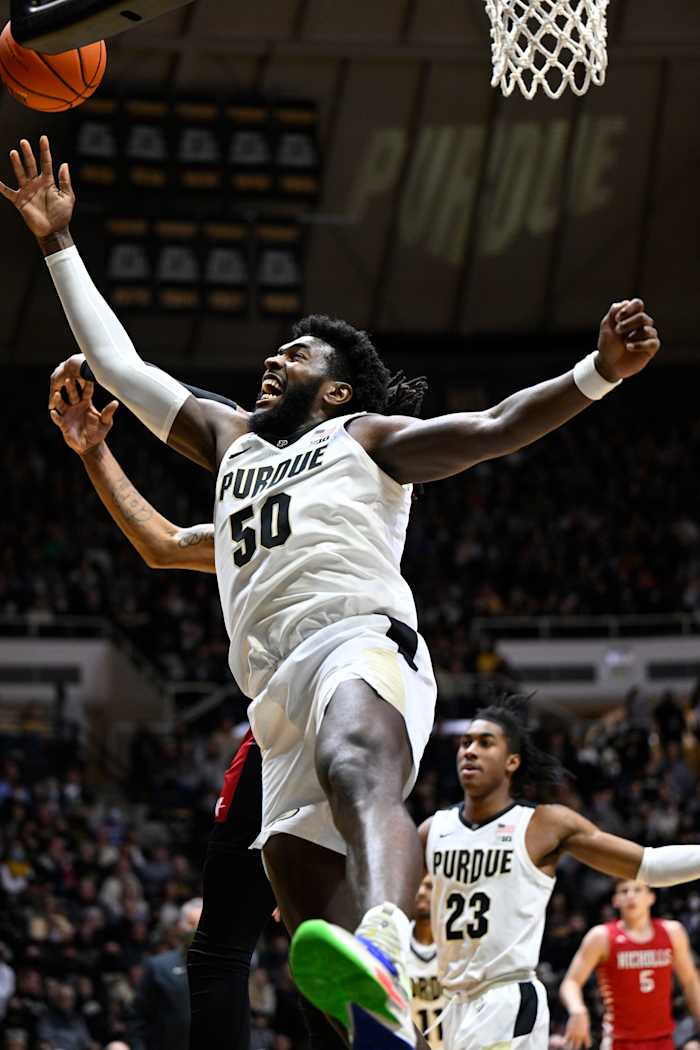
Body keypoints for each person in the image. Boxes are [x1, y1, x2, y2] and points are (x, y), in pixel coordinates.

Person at [1, 135, 661, 1049]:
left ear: (338, 387)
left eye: (296, 355)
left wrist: (598, 375)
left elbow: (494, 426)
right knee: (314, 943)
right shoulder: (232, 446)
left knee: (361, 769)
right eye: (275, 350)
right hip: (272, 702)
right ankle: (375, 1001)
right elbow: (127, 403)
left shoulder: (364, 438)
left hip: (360, 645)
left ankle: (392, 942)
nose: (274, 358)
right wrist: (57, 247)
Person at [49, 380, 345, 1050]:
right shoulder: (260, 521)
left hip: (346, 713)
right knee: (250, 942)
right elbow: (160, 544)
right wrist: (94, 452)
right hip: (285, 729)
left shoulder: (349, 483)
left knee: (312, 935)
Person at [419, 695, 700, 1050]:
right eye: (466, 743)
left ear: (512, 762)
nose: (470, 751)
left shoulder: (543, 824)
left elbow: (651, 865)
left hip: (506, 996)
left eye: (485, 743)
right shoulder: (433, 830)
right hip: (450, 1001)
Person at [560, 879, 700, 1050]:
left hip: (663, 1040)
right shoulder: (601, 937)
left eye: (638, 890)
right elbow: (570, 982)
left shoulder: (672, 932)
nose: (631, 895)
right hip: (619, 1041)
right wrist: (577, 1010)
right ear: (615, 900)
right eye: (624, 891)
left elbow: (691, 981)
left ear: (651, 897)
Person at [128, 898, 202, 1050]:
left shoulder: (226, 969)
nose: (196, 930)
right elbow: (137, 1017)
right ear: (179, 927)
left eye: (201, 924)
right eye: (191, 923)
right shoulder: (158, 967)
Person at [408, 876, 445, 1050]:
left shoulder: (456, 945)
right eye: (417, 886)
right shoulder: (397, 940)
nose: (421, 892)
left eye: (429, 886)